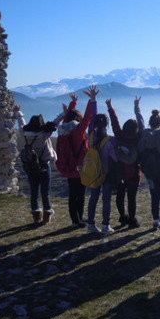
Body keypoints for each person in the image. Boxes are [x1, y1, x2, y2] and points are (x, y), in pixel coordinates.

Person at [13, 104, 65, 225]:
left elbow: (21, 123)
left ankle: (36, 216)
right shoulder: (43, 135)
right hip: (43, 165)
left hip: (30, 166)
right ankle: (47, 215)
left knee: (34, 191)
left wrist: (18, 112)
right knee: (45, 192)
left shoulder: (24, 133)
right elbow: (55, 123)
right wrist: (64, 113)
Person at [56, 86, 98, 227]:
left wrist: (73, 104)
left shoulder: (62, 130)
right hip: (79, 168)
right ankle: (77, 220)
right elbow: (87, 118)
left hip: (67, 166)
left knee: (73, 194)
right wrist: (92, 100)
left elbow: (69, 116)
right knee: (79, 194)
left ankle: (77, 219)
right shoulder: (78, 132)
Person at [106, 96, 145, 228]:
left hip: (120, 171)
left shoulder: (119, 135)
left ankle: (123, 217)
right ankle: (132, 220)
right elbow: (141, 123)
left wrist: (110, 108)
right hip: (134, 171)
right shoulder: (138, 137)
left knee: (120, 195)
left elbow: (114, 122)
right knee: (132, 197)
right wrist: (136, 107)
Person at [138, 109, 160, 229]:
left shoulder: (144, 133)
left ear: (150, 121)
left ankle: (156, 220)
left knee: (155, 196)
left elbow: (140, 121)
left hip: (149, 170)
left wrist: (137, 108)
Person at [84, 113, 118, 235]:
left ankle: (91, 224)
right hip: (106, 173)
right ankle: (105, 225)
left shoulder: (91, 137)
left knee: (93, 198)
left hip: (94, 172)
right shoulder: (109, 141)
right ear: (106, 124)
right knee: (106, 199)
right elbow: (115, 157)